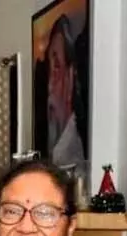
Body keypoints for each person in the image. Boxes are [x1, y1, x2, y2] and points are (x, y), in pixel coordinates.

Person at [45, 15, 84, 165]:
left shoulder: (77, 149)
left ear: (70, 76)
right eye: (49, 69)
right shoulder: (54, 145)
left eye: (56, 67)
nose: (49, 85)